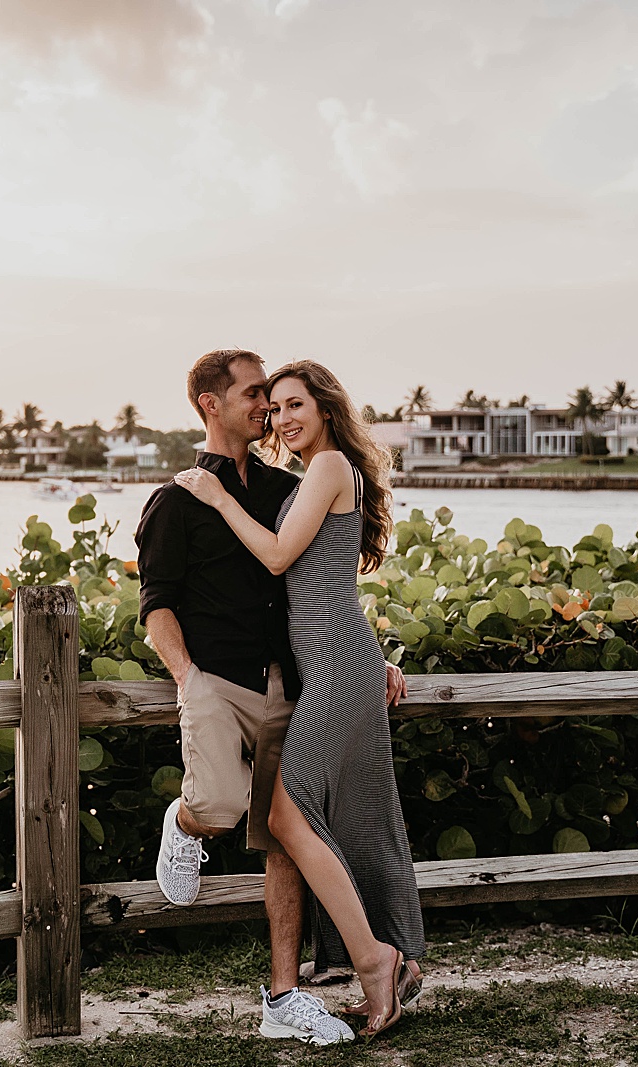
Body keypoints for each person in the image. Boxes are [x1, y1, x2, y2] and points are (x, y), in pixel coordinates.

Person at [173, 359, 426, 1037]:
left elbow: (283, 557)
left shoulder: (330, 466)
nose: (282, 418)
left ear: (324, 405)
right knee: (334, 817)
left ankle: (376, 961)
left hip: (337, 667)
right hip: (334, 663)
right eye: (274, 407)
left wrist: (217, 496)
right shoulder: (313, 472)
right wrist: (376, 656)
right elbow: (328, 581)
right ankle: (383, 963)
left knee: (288, 818)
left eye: (294, 404)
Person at [135, 349, 354, 1045]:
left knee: (287, 836)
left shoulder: (284, 488)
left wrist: (366, 653)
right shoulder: (174, 497)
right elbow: (157, 606)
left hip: (288, 684)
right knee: (220, 806)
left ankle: (284, 997)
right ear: (212, 404)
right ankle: (185, 820)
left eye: (272, 394)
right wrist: (187, 677)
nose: (267, 406)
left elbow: (317, 581)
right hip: (214, 682)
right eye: (254, 393)